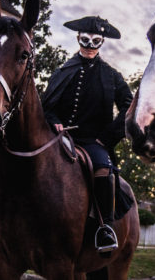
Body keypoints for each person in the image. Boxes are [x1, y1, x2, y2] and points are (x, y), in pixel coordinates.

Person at [41, 16, 133, 253]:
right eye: (85, 40)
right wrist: (54, 121)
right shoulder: (62, 70)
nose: (89, 47)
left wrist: (108, 136)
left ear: (101, 42)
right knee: (28, 152)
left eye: (95, 42)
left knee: (103, 168)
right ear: (78, 39)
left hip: (94, 141)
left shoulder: (112, 76)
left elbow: (129, 106)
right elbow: (47, 105)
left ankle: (105, 227)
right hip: (58, 137)